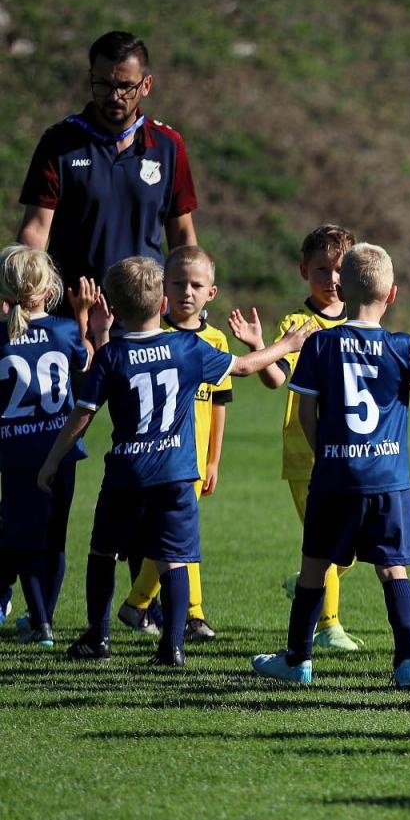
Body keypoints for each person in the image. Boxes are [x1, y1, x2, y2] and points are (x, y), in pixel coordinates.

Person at [36, 255, 310, 665]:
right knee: (174, 559)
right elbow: (244, 367)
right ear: (163, 303)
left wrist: (54, 458)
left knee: (102, 553)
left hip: (127, 473)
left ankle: (98, 637)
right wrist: (285, 346)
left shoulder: (112, 356)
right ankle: (172, 646)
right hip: (177, 473)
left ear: (113, 307)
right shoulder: (187, 346)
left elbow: (83, 412)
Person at [250, 243, 410, 688]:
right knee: (392, 568)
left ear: (340, 287)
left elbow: (306, 410)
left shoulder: (321, 344)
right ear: (393, 295)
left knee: (313, 567)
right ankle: (407, 662)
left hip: (335, 476)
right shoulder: (403, 346)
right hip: (388, 481)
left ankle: (298, 660)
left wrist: (326, 451)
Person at [251, 225, 365, 653]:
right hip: (306, 452)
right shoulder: (298, 324)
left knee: (350, 545)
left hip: (351, 450)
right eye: (322, 269)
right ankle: (329, 626)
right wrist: (263, 347)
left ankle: (305, 581)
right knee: (327, 537)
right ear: (304, 271)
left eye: (340, 270)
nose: (332, 280)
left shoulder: (361, 323)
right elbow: (277, 378)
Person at [114, 246, 235, 642]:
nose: (186, 291)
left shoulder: (216, 340)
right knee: (172, 535)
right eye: (178, 283)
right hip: (157, 457)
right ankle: (163, 608)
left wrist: (215, 459)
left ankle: (155, 607)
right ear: (163, 288)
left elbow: (219, 404)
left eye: (196, 284)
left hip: (195, 459)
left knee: (180, 535)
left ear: (210, 293)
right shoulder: (155, 335)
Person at [16, 31, 197, 288]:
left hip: (144, 316)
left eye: (125, 86)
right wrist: (23, 292)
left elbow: (182, 235)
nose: (114, 96)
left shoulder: (168, 145)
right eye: (104, 84)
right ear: (91, 79)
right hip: (72, 312)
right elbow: (35, 230)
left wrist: (188, 300)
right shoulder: (59, 142)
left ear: (146, 85)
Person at [0, 246, 95, 646]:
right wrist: (86, 321)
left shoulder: (3, 335)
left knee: (21, 535)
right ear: (48, 287)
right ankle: (43, 620)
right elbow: (86, 362)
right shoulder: (65, 329)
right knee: (54, 536)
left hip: (15, 451)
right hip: (61, 447)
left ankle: (40, 623)